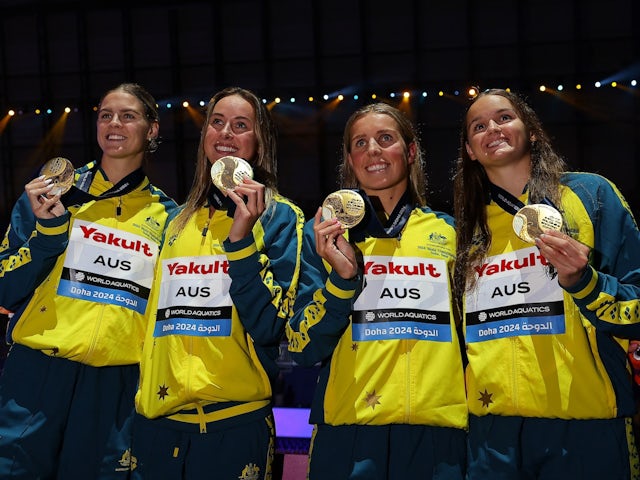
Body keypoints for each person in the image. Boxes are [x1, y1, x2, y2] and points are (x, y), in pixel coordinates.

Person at [453, 88, 640, 479]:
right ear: (470, 150)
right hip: (492, 433)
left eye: (505, 118)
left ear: (532, 131)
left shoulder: (591, 195)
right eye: (478, 126)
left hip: (586, 422)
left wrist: (584, 281)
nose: (492, 129)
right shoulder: (463, 231)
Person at [0, 82, 177, 479]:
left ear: (151, 129)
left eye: (128, 116)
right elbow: (5, 285)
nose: (114, 124)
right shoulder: (52, 193)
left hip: (115, 383)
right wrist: (47, 234)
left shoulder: (168, 217)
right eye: (105, 115)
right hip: (39, 372)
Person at [130, 86, 305, 479]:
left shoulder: (281, 218)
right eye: (217, 122)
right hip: (158, 424)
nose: (226, 133)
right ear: (205, 136)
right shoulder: (173, 221)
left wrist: (242, 242)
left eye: (241, 125)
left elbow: (270, 326)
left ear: (258, 143)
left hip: (235, 423)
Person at [286, 102, 468, 479]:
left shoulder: (451, 233)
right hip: (348, 431)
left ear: (411, 151)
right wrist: (341, 281)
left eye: (385, 139)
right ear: (350, 160)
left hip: (436, 434)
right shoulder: (323, 235)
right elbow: (303, 348)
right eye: (360, 143)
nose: (373, 150)